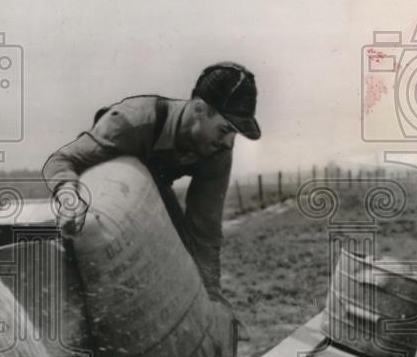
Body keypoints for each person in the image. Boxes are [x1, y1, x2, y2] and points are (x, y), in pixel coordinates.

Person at [42, 62, 261, 302]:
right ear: (199, 109)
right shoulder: (131, 121)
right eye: (224, 130)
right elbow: (61, 160)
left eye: (234, 134)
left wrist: (212, 302)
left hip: (154, 190)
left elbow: (205, 234)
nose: (229, 143)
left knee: (182, 254)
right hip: (102, 194)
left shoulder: (217, 151)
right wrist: (69, 199)